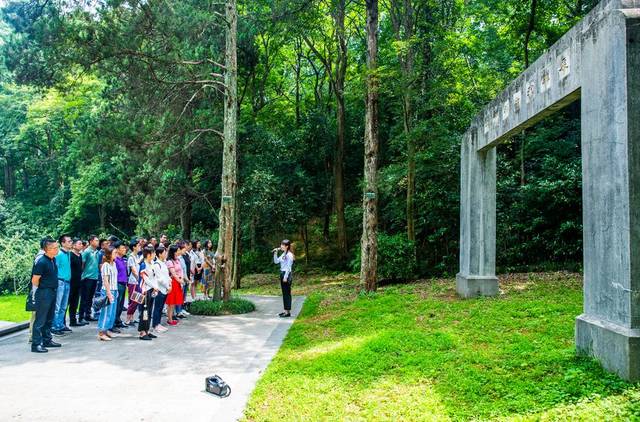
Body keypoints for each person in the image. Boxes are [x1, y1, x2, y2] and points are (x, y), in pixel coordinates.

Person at [31, 239, 61, 353]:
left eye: (57, 247)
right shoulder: (42, 262)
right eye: (54, 248)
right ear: (46, 249)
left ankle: (47, 340)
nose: (56, 249)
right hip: (44, 292)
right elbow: (35, 280)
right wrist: (43, 288)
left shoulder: (53, 260)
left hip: (53, 291)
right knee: (40, 319)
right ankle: (36, 344)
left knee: (49, 317)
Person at [52, 235, 73, 335]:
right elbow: (54, 268)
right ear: (63, 243)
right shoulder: (59, 254)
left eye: (71, 241)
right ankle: (54, 327)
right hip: (60, 282)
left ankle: (60, 325)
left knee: (64, 306)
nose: (71, 242)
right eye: (69, 241)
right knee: (58, 305)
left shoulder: (68, 253)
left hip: (67, 282)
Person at [97, 246, 119, 341]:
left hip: (114, 290)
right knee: (106, 312)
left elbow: (114, 279)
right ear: (109, 254)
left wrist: (116, 291)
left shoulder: (113, 264)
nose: (116, 254)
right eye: (114, 253)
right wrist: (109, 294)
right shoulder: (105, 265)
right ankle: (101, 332)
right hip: (107, 291)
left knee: (112, 312)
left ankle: (107, 330)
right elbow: (106, 281)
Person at [137, 246, 158, 340]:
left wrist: (155, 287)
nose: (154, 255)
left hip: (152, 289)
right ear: (149, 254)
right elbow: (145, 278)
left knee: (149, 311)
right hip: (144, 291)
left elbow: (154, 277)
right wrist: (154, 286)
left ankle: (147, 330)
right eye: (153, 253)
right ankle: (142, 332)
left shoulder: (152, 263)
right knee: (144, 312)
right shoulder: (143, 265)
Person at [79, 235, 100, 323]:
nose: (98, 242)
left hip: (94, 277)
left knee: (90, 297)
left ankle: (88, 314)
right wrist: (83, 275)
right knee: (84, 297)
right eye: (96, 240)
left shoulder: (97, 252)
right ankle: (81, 316)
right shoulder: (87, 251)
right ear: (91, 241)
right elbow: (82, 264)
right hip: (87, 277)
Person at [273, 239, 295, 318]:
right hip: (282, 274)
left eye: (282, 245)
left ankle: (287, 312)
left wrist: (285, 277)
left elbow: (289, 267)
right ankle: (286, 311)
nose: (281, 246)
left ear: (287, 246)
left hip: (286, 275)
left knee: (287, 293)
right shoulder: (283, 254)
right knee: (284, 293)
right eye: (281, 245)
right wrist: (275, 253)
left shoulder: (289, 255)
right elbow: (276, 261)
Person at [151, 246, 171, 333]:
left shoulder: (163, 263)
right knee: (157, 308)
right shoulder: (156, 264)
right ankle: (155, 325)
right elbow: (160, 278)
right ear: (159, 254)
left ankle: (158, 323)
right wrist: (167, 286)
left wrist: (169, 284)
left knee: (161, 307)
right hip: (159, 289)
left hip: (165, 289)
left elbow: (167, 276)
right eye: (164, 253)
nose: (166, 254)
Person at [68, 238, 87, 327]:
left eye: (81, 244)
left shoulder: (80, 255)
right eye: (79, 244)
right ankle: (62, 323)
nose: (81, 245)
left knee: (75, 302)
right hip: (71, 282)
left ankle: (73, 321)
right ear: (74, 245)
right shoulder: (70, 255)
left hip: (78, 282)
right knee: (67, 302)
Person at [165, 244, 184, 326]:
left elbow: (181, 270)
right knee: (171, 302)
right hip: (173, 282)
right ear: (173, 252)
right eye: (177, 251)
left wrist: (181, 279)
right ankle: (169, 319)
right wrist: (180, 281)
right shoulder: (169, 261)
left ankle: (171, 318)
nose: (178, 252)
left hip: (178, 282)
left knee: (174, 302)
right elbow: (173, 273)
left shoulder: (177, 260)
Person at [112, 241, 129, 330]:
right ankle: (113, 322)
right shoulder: (115, 260)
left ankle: (118, 320)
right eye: (122, 248)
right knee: (117, 304)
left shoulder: (123, 259)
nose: (125, 249)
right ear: (117, 250)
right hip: (118, 284)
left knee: (121, 304)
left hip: (123, 283)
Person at [125, 240, 142, 326]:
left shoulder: (137, 257)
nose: (140, 246)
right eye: (138, 245)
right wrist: (139, 279)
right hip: (133, 282)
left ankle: (131, 317)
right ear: (134, 247)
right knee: (133, 300)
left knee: (138, 300)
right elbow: (134, 271)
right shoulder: (131, 257)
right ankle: (128, 319)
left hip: (138, 282)